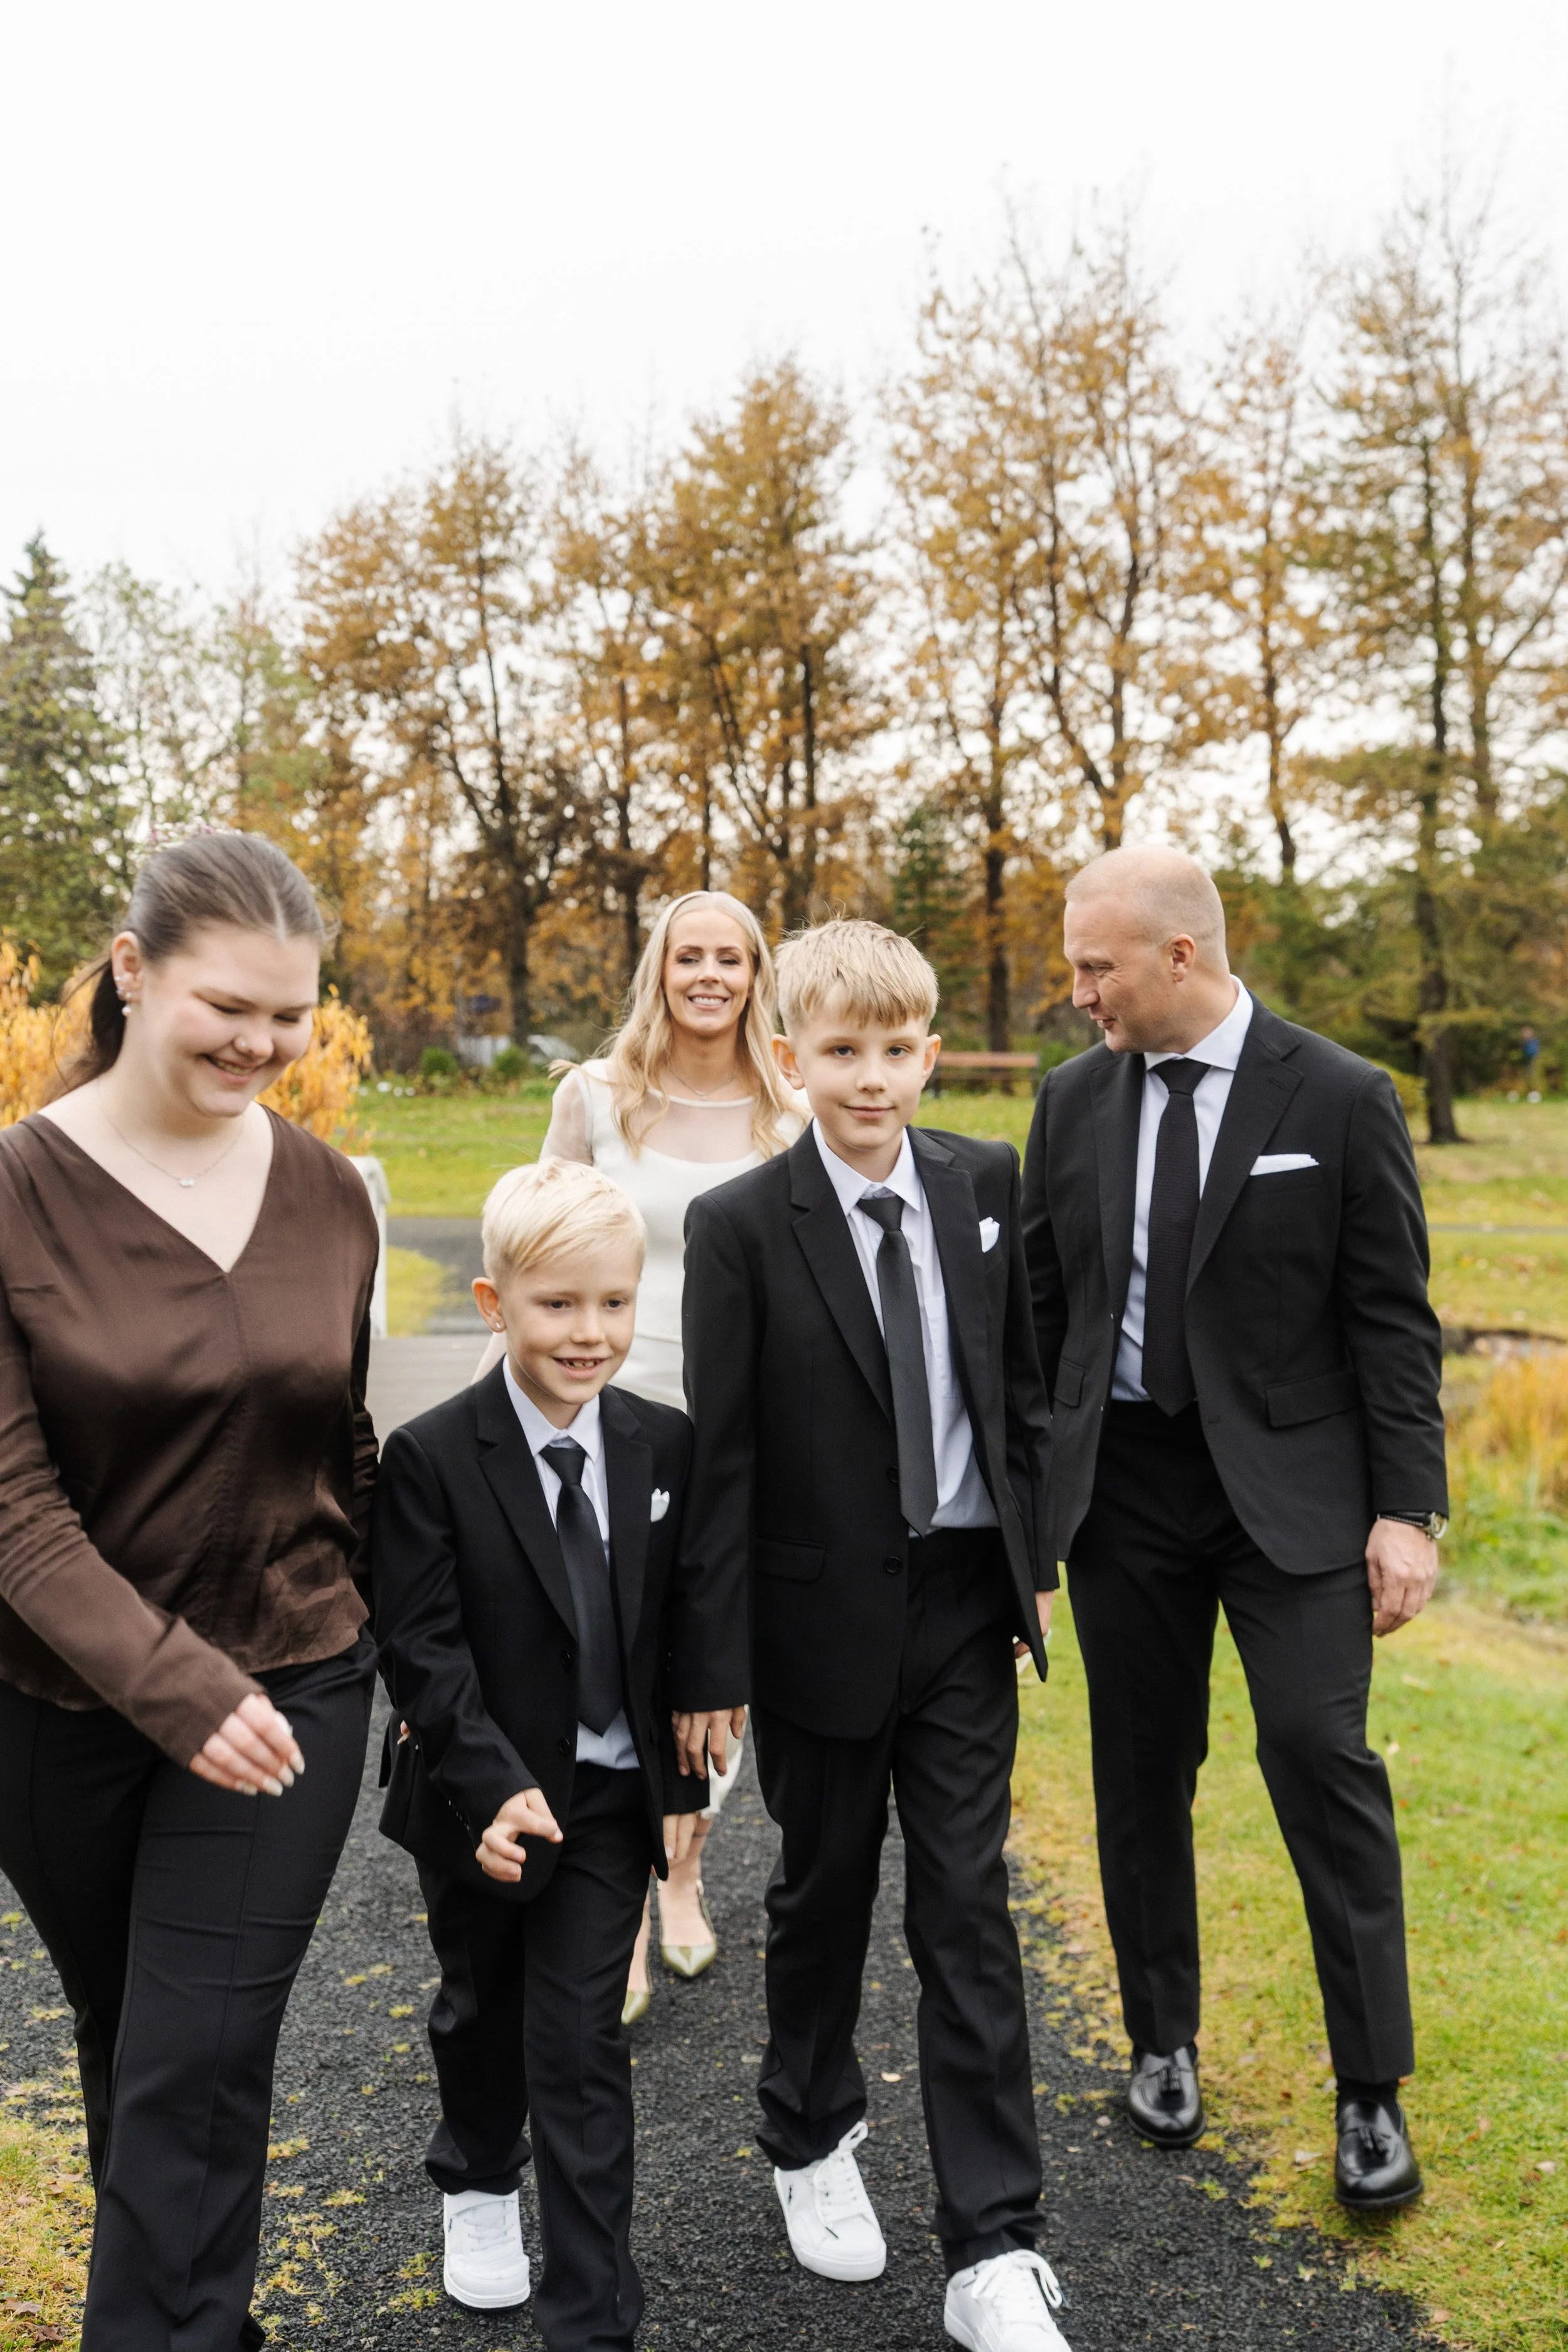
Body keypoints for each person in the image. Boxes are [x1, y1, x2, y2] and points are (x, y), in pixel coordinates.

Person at [1021, 844, 1446, 2212]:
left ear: (1177, 959)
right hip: (1124, 1495)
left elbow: (1389, 1320)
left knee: (1318, 1757)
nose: (1077, 991)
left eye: (1094, 967)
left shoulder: (1336, 1095)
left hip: (1296, 1499)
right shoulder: (1068, 1106)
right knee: (1139, 1768)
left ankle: (1368, 2089)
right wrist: (1029, 1523)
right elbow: (1042, 1321)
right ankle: (1161, 2042)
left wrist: (1405, 1509)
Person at [0, 831, 381, 2351]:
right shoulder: (15, 1191)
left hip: (292, 1688)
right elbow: (13, 1513)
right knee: (138, 2040)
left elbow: (345, 1451)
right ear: (132, 971)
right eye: (229, 1006)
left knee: (200, 2056)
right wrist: (171, 1684)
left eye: (290, 1016)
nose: (263, 1046)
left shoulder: (332, 1193)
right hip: (53, 1709)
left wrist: (455, 1688)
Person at [678, 919, 1074, 2352]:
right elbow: (718, 1459)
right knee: (825, 1889)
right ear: (788, 1059)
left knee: (965, 1906)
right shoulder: (738, 1228)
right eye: (840, 1051)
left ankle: (993, 2246)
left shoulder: (981, 1180)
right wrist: (709, 1662)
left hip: (965, 1603)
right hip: (814, 1620)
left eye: (897, 1050)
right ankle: (808, 2133)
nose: (872, 1078)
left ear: (927, 1052)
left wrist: (1029, 1554)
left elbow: (1016, 1392)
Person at [374, 1160, 736, 2341]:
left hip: (609, 1794)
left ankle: (593, 2315)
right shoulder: (431, 1456)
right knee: (480, 2007)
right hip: (479, 1797)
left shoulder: (662, 1444)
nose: (591, 1333)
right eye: (558, 1305)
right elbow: (423, 1648)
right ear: (495, 1305)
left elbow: (683, 1623)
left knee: (579, 2041)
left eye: (614, 1304)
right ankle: (478, 2176)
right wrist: (495, 1781)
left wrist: (684, 1775)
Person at [476, 889, 801, 2017]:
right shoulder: (597, 1095)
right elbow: (541, 1224)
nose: (709, 975)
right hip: (612, 1405)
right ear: (659, 968)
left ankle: (685, 1875)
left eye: (731, 958)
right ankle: (608, 1907)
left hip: (743, 1423)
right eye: (689, 956)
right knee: (606, 1650)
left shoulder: (791, 1103)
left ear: (758, 975)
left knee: (716, 1658)